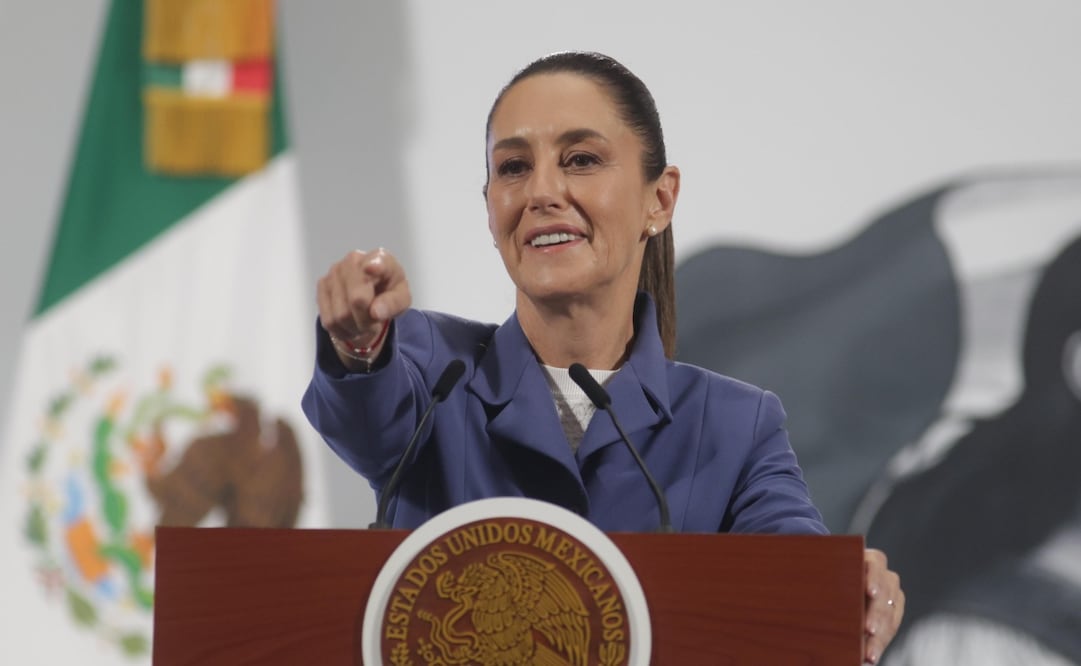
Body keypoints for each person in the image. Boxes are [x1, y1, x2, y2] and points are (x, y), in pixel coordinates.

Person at [303, 51, 904, 664]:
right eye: (513, 167)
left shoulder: (734, 426)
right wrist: (357, 342)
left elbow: (794, 575)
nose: (540, 191)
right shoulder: (435, 372)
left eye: (581, 160)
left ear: (660, 199)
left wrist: (845, 588)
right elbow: (365, 410)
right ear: (490, 207)